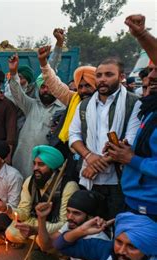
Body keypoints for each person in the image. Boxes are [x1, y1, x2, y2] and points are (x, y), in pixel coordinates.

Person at [69, 58, 141, 219]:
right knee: (91, 227)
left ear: (121, 77)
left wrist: (94, 166)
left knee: (116, 224)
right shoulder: (85, 105)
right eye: (99, 75)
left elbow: (130, 140)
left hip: (119, 180)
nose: (102, 79)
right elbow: (73, 135)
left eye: (109, 74)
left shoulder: (134, 103)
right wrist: (89, 156)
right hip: (90, 179)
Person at [107, 16, 157, 221]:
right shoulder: (151, 109)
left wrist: (131, 159)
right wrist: (123, 150)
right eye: (151, 70)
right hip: (134, 200)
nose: (151, 76)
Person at [38, 44, 97, 181]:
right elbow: (54, 83)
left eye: (88, 85)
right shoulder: (73, 98)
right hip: (72, 153)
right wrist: (43, 63)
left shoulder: (103, 105)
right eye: (80, 86)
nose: (83, 91)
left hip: (96, 158)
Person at [5, 145, 79, 246]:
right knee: (10, 233)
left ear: (52, 167)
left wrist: (37, 230)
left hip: (52, 226)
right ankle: (39, 244)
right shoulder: (30, 181)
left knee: (42, 239)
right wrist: (6, 208)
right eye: (34, 164)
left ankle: (45, 246)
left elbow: (65, 224)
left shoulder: (68, 186)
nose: (35, 168)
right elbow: (24, 213)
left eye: (41, 164)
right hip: (34, 221)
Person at [8, 54, 65, 177]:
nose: (45, 90)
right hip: (21, 159)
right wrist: (13, 73)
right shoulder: (31, 105)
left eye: (49, 87)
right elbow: (17, 93)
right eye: (43, 87)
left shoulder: (63, 109)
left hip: (44, 165)